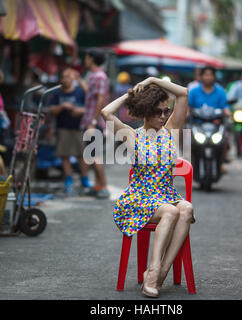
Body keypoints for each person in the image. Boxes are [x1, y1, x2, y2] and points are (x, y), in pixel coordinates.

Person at [101, 77, 195, 298]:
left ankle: (160, 273)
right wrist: (132, 94)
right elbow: (106, 112)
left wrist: (154, 80)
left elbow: (183, 93)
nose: (164, 116)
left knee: (187, 209)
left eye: (166, 111)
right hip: (138, 198)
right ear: (145, 112)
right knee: (171, 211)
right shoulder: (132, 136)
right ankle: (153, 273)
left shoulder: (171, 131)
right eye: (158, 112)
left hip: (166, 195)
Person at [49, 68, 92, 194]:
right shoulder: (56, 93)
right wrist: (62, 106)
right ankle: (68, 178)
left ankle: (84, 178)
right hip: (62, 128)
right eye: (64, 76)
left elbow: (89, 107)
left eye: (68, 76)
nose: (66, 79)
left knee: (82, 155)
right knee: (64, 155)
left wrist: (79, 111)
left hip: (78, 127)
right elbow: (52, 110)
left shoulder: (80, 91)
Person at [79, 48, 110, 199]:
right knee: (90, 154)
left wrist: (93, 121)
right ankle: (98, 186)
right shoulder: (93, 76)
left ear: (91, 59)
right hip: (90, 121)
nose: (85, 60)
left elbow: (100, 99)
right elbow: (90, 95)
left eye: (87, 57)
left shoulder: (99, 76)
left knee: (95, 155)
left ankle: (104, 186)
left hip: (94, 122)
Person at [189, 66, 231, 164]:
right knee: (186, 132)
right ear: (201, 76)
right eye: (206, 75)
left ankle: (223, 159)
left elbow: (225, 106)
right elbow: (188, 106)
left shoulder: (220, 91)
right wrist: (185, 114)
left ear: (214, 77)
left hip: (215, 124)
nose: (208, 77)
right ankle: (188, 160)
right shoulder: (194, 91)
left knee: (226, 134)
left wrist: (229, 114)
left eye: (210, 75)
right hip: (197, 124)